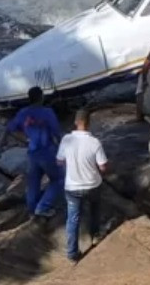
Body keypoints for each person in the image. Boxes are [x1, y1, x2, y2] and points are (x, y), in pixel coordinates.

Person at [57, 107, 109, 263]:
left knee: (73, 219)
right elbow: (103, 167)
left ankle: (72, 254)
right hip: (92, 185)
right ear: (89, 123)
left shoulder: (66, 140)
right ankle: (95, 235)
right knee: (95, 210)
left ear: (75, 122)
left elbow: (59, 161)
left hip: (72, 187)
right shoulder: (94, 142)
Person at [6, 86, 63, 218]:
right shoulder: (47, 112)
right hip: (47, 151)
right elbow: (56, 133)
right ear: (40, 97)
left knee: (33, 182)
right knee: (58, 179)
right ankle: (43, 207)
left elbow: (10, 129)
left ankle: (32, 209)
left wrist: (25, 140)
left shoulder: (22, 113)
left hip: (32, 152)